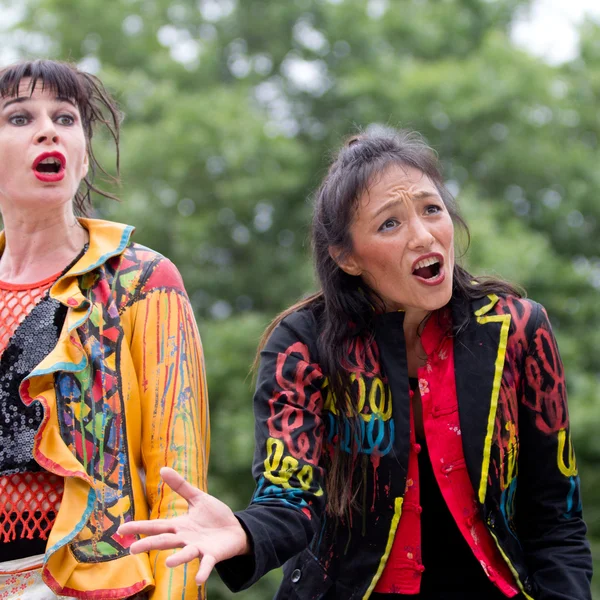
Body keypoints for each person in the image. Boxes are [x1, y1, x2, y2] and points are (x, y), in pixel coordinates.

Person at [119, 128, 592, 599]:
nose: (424, 235)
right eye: (390, 224)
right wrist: (243, 532)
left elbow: (556, 516)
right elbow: (289, 494)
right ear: (347, 258)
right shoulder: (302, 343)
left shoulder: (517, 329)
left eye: (432, 209)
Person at [0, 59, 209, 599]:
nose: (48, 129)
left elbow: (178, 485)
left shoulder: (142, 281)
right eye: (19, 118)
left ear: (83, 153)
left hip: (91, 584)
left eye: (65, 118)